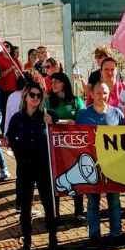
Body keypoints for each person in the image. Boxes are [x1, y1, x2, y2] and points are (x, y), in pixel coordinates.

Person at [3, 82, 59, 250]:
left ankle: (52, 237)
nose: (35, 98)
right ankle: (27, 239)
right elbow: (9, 137)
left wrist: (53, 124)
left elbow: (61, 134)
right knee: (25, 205)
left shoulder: (49, 115)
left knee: (49, 204)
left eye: (38, 95)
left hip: (44, 166)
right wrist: (7, 142)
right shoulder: (17, 118)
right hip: (25, 167)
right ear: (25, 96)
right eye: (32, 95)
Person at [76, 81, 125, 249]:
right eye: (98, 93)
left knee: (114, 202)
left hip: (113, 166)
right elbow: (76, 138)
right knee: (93, 202)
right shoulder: (83, 114)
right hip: (91, 165)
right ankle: (94, 235)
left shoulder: (117, 114)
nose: (102, 96)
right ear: (92, 94)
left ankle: (116, 234)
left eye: (104, 93)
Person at [43, 72, 85, 220]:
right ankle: (55, 213)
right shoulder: (47, 102)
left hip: (73, 145)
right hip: (54, 145)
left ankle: (79, 211)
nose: (53, 84)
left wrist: (60, 122)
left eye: (56, 81)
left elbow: (80, 121)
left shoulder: (76, 101)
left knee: (76, 177)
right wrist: (67, 121)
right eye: (51, 82)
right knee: (55, 177)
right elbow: (45, 120)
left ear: (64, 83)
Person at [0, 41, 21, 129]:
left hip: (15, 89)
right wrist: (10, 69)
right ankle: (4, 131)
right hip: (4, 90)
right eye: (2, 46)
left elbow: (20, 73)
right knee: (5, 111)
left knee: (16, 110)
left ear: (10, 48)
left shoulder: (15, 60)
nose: (5, 48)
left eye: (7, 46)